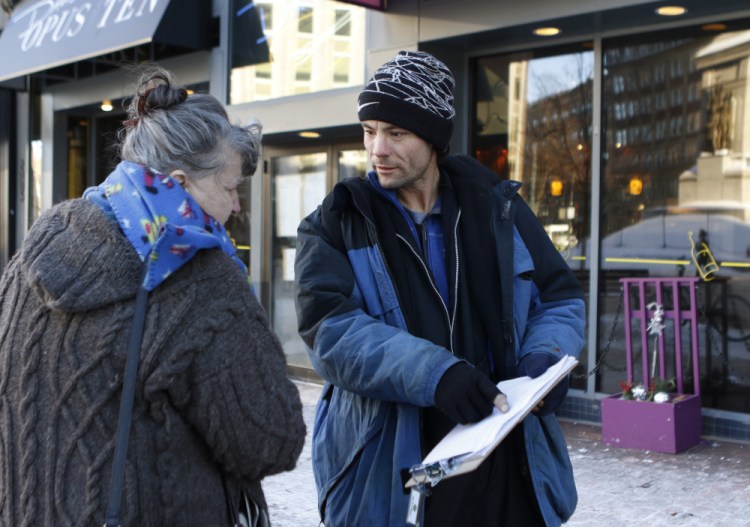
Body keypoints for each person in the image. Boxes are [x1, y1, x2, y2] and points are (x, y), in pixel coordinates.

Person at [0, 67, 306, 526]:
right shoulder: (198, 275)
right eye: (230, 188)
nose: (237, 207)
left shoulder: (29, 256)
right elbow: (271, 439)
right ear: (180, 184)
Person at [294, 50, 586, 526]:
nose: (377, 149)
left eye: (397, 132)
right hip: (391, 468)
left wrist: (546, 358)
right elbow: (331, 332)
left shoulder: (498, 210)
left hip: (506, 463)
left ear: (433, 138)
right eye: (370, 131)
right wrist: (437, 374)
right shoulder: (337, 221)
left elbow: (559, 298)